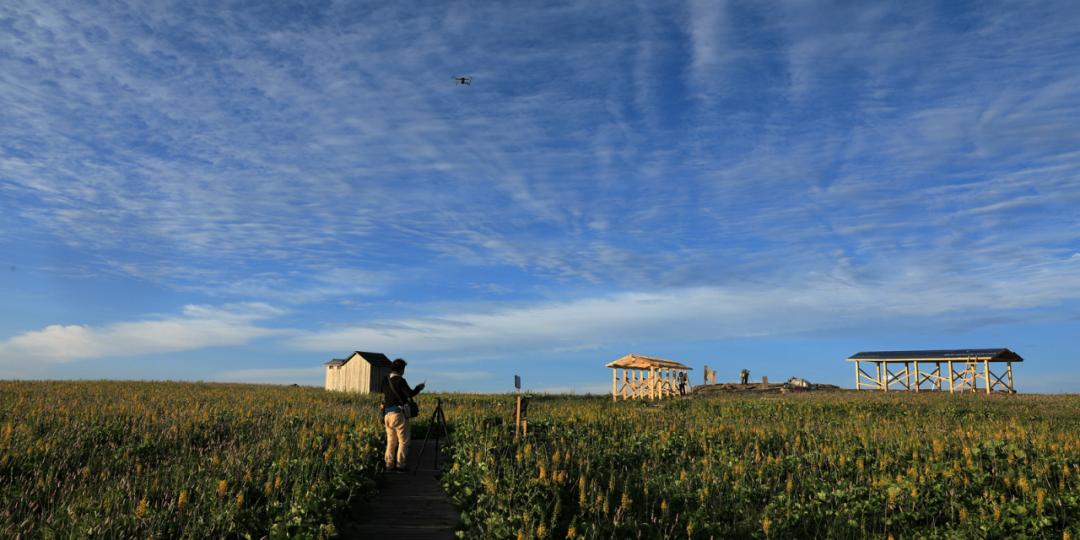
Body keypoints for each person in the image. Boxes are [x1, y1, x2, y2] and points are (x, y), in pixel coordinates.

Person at [381, 358, 425, 473]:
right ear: (401, 369)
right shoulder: (400, 380)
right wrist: (418, 388)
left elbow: (385, 396)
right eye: (403, 369)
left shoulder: (385, 380)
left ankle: (389, 465)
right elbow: (410, 394)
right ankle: (401, 465)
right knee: (403, 441)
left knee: (391, 441)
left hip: (387, 415)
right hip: (398, 414)